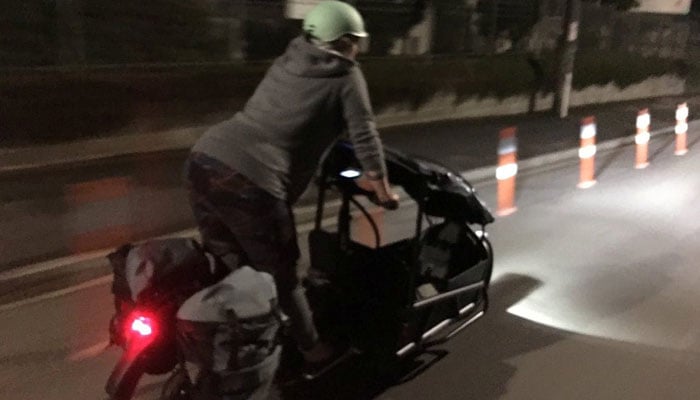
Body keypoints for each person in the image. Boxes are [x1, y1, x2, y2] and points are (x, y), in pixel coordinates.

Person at [184, 0, 399, 372]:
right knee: (283, 275)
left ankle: (218, 340)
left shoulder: (288, 60)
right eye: (356, 41)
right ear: (345, 41)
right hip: (251, 183)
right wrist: (382, 188)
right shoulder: (346, 77)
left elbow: (283, 126)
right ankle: (313, 350)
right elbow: (364, 133)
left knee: (228, 263)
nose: (358, 49)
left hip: (204, 160)